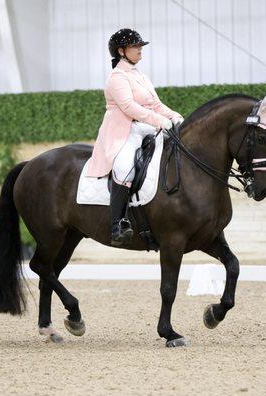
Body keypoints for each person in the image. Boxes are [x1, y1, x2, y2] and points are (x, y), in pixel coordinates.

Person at [86, 28, 184, 247]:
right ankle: (117, 224)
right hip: (124, 131)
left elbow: (155, 104)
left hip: (146, 128)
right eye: (135, 46)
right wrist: (159, 121)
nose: (140, 50)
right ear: (121, 51)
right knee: (124, 166)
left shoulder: (140, 76)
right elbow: (129, 107)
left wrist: (174, 116)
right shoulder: (116, 78)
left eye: (140, 46)